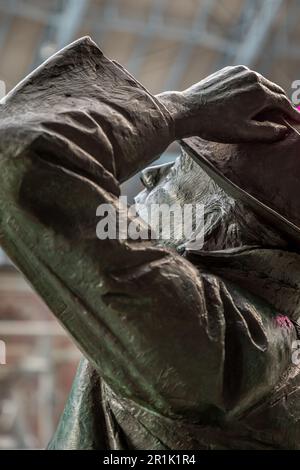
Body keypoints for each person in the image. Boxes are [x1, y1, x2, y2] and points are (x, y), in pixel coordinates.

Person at [1, 36, 300, 450]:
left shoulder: (226, 341)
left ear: (223, 223)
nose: (151, 177)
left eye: (184, 173)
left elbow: (16, 158)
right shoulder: (269, 341)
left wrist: (179, 111)